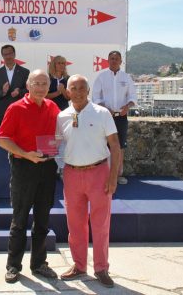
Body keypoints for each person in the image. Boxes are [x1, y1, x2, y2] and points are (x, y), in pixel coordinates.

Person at [0, 69, 60, 283]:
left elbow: (58, 135)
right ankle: (13, 266)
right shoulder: (15, 108)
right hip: (24, 167)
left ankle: (39, 264)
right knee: (20, 219)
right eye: (37, 83)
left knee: (43, 219)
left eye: (45, 83)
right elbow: (2, 139)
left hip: (47, 168)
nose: (41, 87)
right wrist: (25, 154)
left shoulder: (53, 106)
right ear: (28, 84)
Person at [57, 74, 120, 288]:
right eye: (73, 88)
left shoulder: (102, 113)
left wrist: (113, 178)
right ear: (67, 92)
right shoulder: (62, 116)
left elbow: (116, 146)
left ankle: (101, 268)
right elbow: (54, 144)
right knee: (75, 224)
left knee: (101, 224)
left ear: (88, 91)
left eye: (82, 88)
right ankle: (79, 265)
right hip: (72, 174)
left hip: (99, 172)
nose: (78, 91)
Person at [92, 51, 137, 185]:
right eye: (112, 58)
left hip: (121, 117)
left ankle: (117, 175)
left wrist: (128, 107)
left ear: (121, 61)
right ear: (108, 60)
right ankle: (103, 175)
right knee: (104, 145)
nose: (114, 60)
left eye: (117, 58)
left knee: (120, 146)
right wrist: (105, 108)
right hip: (105, 117)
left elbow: (132, 96)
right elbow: (95, 97)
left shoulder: (126, 77)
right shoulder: (101, 77)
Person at [0, 45, 30, 129]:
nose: (8, 56)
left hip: (20, 113)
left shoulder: (25, 72)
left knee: (19, 141)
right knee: (0, 141)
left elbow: (29, 90)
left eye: (10, 53)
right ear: (2, 56)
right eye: (5, 54)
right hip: (1, 114)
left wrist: (19, 92)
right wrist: (2, 92)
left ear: (14, 54)